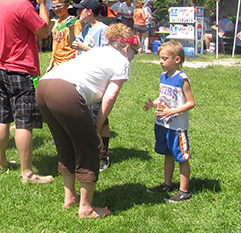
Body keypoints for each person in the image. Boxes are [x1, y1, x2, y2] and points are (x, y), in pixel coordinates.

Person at [37, 23, 138, 218]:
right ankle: (86, 208)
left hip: (44, 86)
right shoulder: (121, 61)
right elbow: (110, 97)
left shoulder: (97, 51)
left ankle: (70, 197)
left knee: (64, 142)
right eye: (135, 52)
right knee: (90, 146)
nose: (134, 57)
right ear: (127, 48)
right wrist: (97, 129)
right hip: (65, 92)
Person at [0, 0, 51, 183]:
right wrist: (42, 5)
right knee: (24, 122)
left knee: (2, 117)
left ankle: (1, 162)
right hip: (22, 70)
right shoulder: (24, 6)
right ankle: (27, 173)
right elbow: (44, 31)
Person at [144, 41, 195, 203]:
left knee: (181, 157)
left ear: (177, 59)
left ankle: (184, 191)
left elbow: (190, 103)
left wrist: (171, 111)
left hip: (176, 126)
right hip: (163, 123)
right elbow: (165, 97)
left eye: (165, 59)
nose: (161, 62)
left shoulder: (182, 79)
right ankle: (167, 184)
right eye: (160, 58)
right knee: (168, 154)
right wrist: (154, 103)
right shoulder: (163, 76)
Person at [71, 0, 111, 171]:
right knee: (92, 114)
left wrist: (84, 48)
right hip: (84, 76)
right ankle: (96, 151)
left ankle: (101, 154)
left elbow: (107, 54)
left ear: (90, 12)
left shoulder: (103, 30)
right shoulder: (86, 28)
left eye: (81, 10)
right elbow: (75, 44)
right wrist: (72, 29)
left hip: (97, 78)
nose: (78, 13)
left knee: (97, 117)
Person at [46, 0, 82, 72]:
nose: (56, 9)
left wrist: (77, 64)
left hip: (68, 62)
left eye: (59, 6)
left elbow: (77, 44)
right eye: (54, 7)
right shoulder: (57, 22)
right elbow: (56, 44)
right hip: (57, 63)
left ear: (67, 5)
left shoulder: (74, 23)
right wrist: (51, 64)